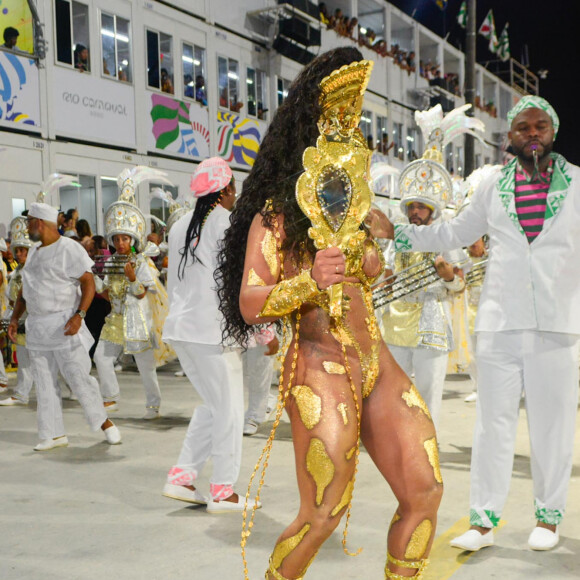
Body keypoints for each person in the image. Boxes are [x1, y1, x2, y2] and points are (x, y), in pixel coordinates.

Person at [217, 47, 442, 580]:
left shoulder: (358, 208)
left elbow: (367, 276)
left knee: (425, 490)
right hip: (317, 363)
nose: (348, 123)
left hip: (375, 360)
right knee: (323, 513)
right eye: (338, 113)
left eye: (354, 113)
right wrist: (307, 280)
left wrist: (370, 262)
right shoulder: (274, 216)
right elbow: (250, 304)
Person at [375, 96, 579, 552]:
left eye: (540, 125)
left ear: (552, 133)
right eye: (522, 126)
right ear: (509, 136)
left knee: (553, 423)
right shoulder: (492, 187)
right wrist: (400, 232)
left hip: (556, 326)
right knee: (492, 423)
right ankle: (483, 522)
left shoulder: (579, 186)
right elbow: (454, 234)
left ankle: (548, 518)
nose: (531, 133)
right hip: (499, 322)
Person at [161, 157, 259, 514]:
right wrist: (262, 327)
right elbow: (240, 283)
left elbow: (174, 284)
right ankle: (224, 491)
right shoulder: (229, 224)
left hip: (183, 329)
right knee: (230, 411)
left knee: (215, 407)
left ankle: (182, 477)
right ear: (228, 189)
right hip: (211, 334)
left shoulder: (179, 226)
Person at [7, 201, 121, 450]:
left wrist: (79, 314)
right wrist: (15, 318)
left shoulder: (69, 248)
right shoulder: (34, 252)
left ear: (39, 222)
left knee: (79, 377)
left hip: (63, 324)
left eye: (28, 223)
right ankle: (53, 434)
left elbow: (88, 283)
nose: (27, 228)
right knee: (44, 382)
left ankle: (104, 422)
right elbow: (25, 292)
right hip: (37, 326)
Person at [93, 167, 171, 420]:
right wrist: (94, 285)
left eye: (125, 239)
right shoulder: (112, 261)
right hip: (115, 319)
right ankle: (111, 397)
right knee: (101, 358)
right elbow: (107, 293)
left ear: (132, 239)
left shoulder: (141, 262)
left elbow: (140, 295)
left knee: (145, 367)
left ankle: (153, 405)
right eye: (116, 239)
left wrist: (133, 279)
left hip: (138, 318)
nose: (120, 244)